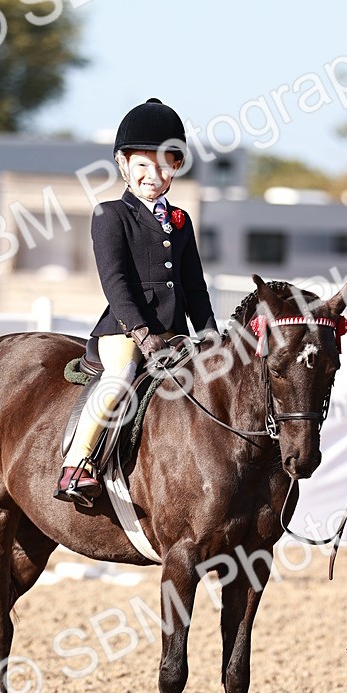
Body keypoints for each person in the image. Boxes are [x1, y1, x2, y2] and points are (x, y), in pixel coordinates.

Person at [54, 97, 218, 505]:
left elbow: (194, 287)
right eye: (142, 165)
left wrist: (212, 336)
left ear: (176, 168)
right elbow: (115, 282)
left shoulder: (181, 221)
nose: (152, 174)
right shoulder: (110, 215)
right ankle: (77, 465)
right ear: (123, 165)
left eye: (163, 165)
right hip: (124, 331)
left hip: (175, 333)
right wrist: (143, 335)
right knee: (120, 378)